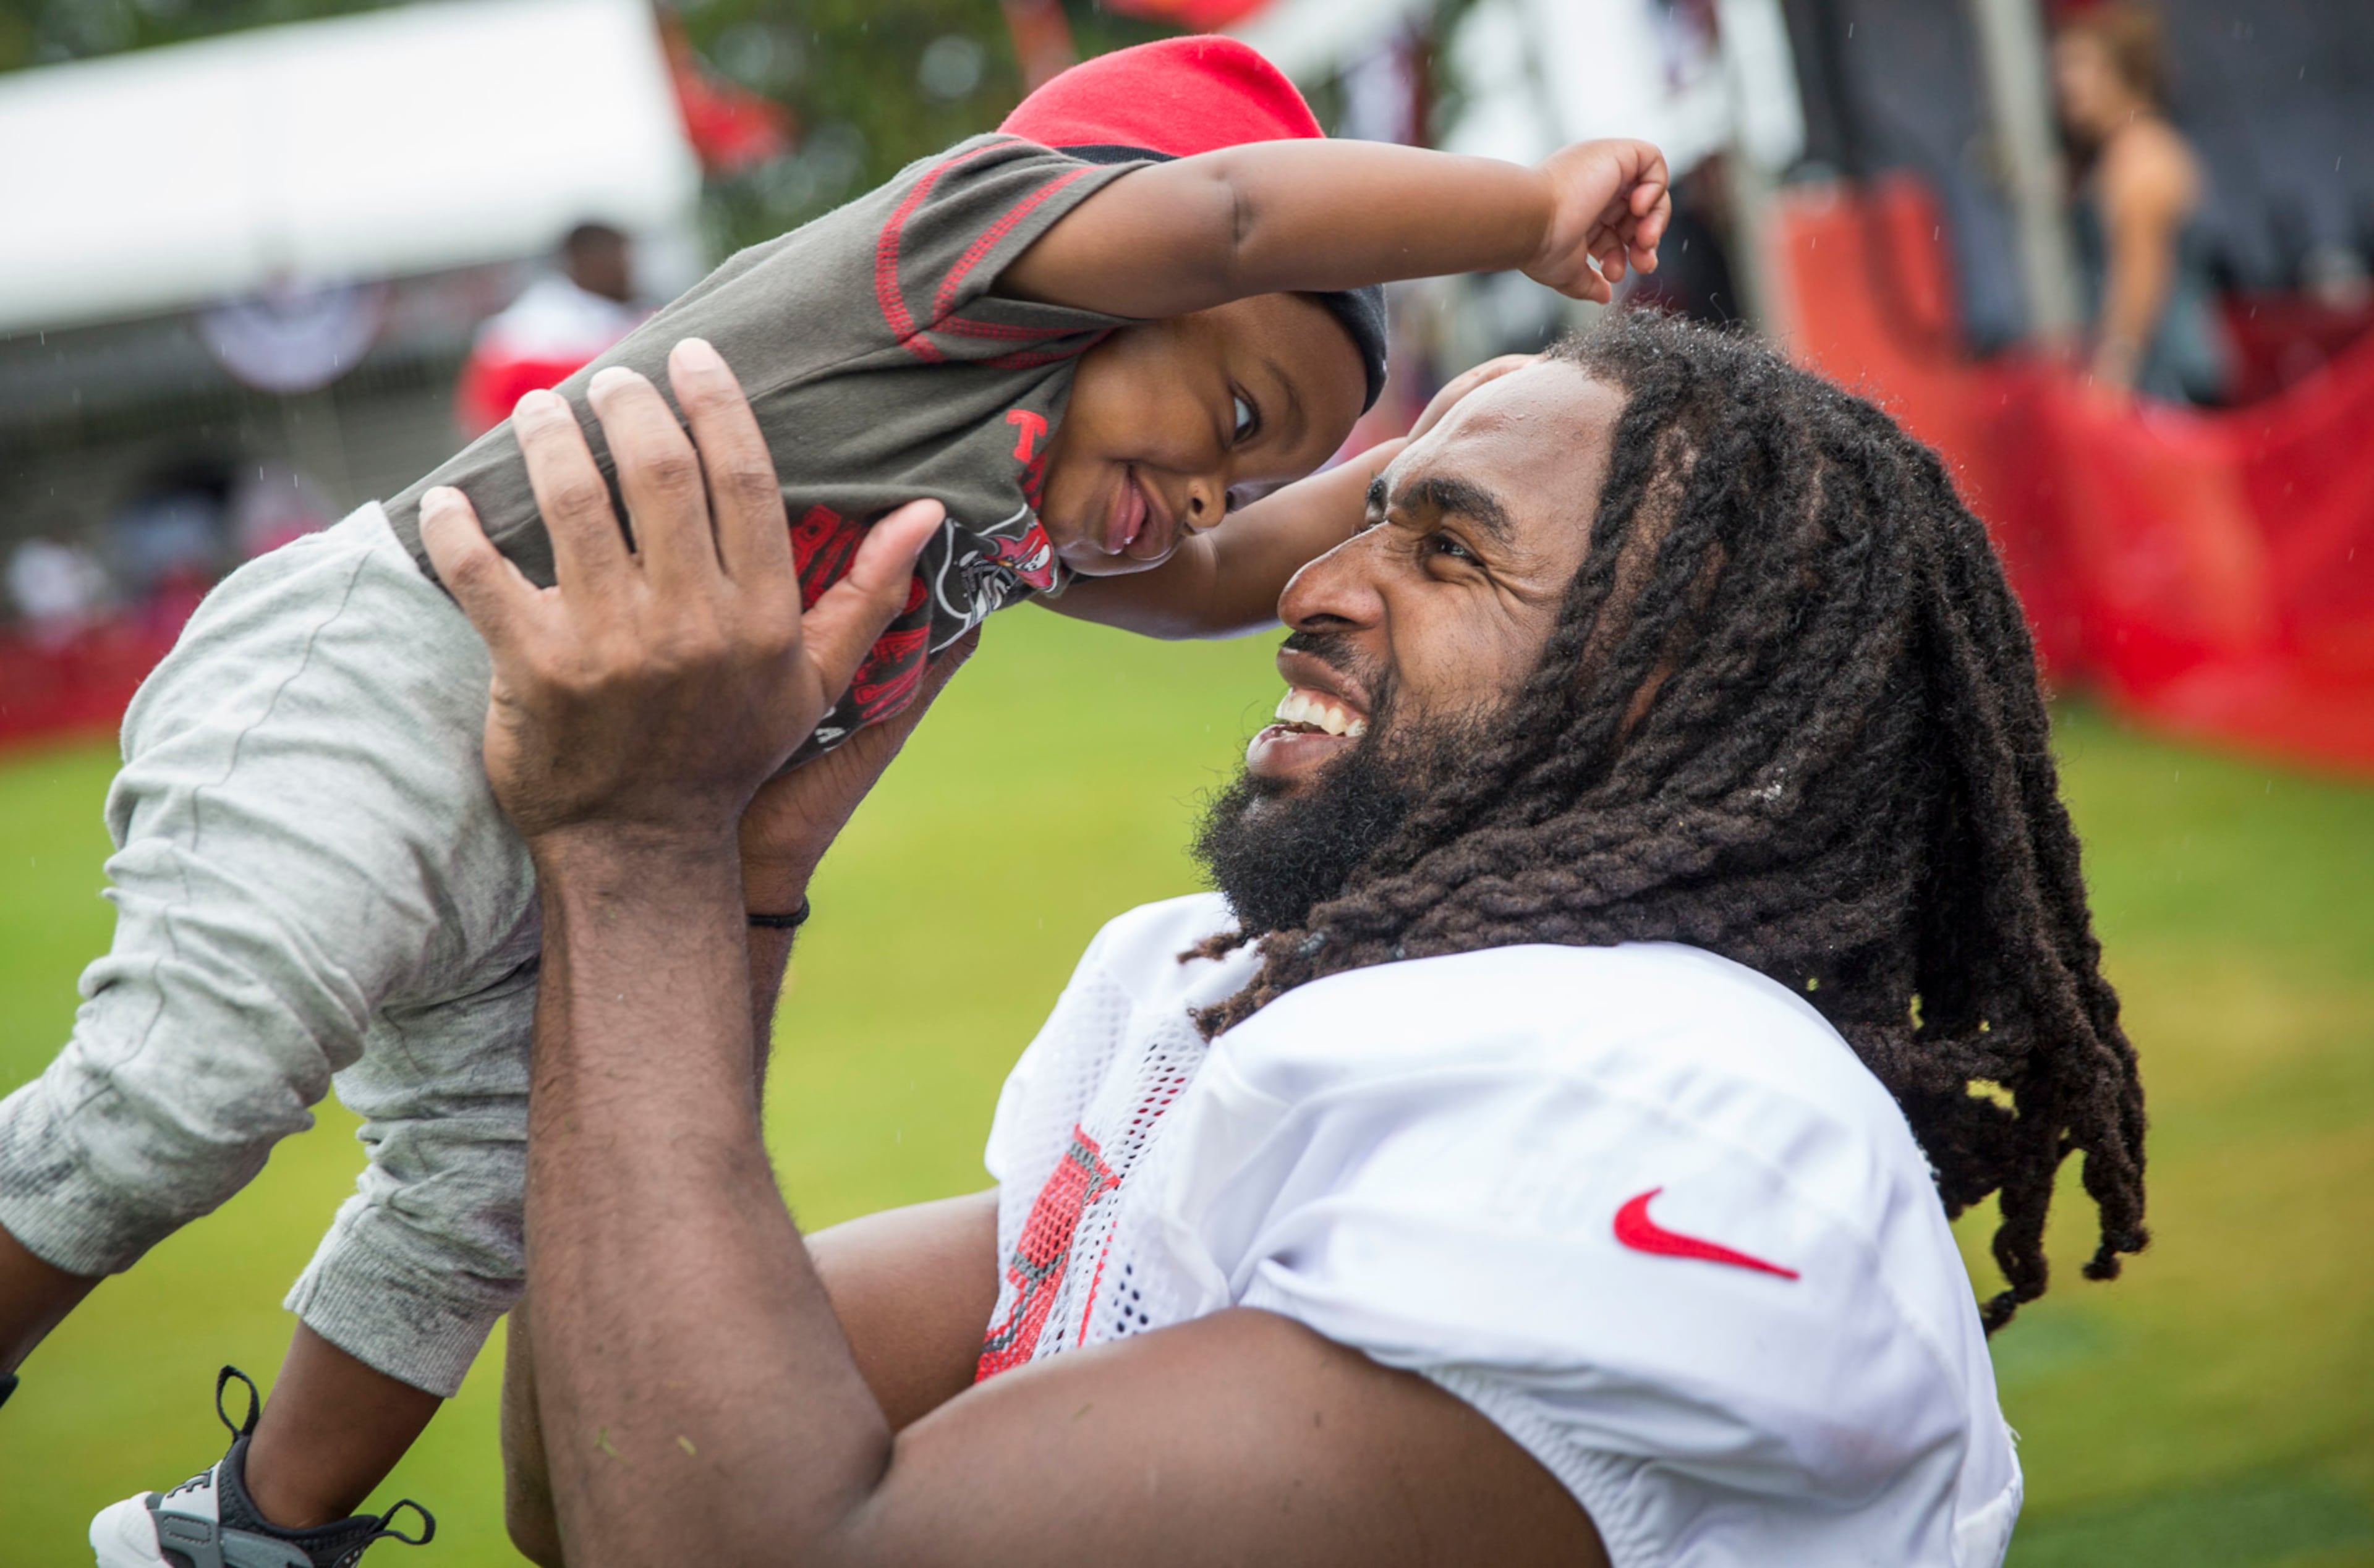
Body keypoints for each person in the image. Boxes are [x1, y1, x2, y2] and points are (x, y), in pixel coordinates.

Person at [1, 36, 1673, 1568]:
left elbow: (1218, 571)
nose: (1199, 500)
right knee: (196, 1081)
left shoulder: (1023, 510)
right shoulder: (942, 274)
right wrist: (1522, 209)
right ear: (1103, 256)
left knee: (482, 1199)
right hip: (408, 664)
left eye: (1239, 472)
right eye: (1230, 418)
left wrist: (1437, 469)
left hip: (577, 808)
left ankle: (248, 1530)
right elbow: (1236, 216)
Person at [437, 313, 2130, 1566]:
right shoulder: (1262, 997)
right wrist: (743, 866)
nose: (1315, 579)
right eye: (1372, 507)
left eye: (1448, 547)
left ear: (1675, 697)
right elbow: (591, 1485)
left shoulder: (1685, 1106)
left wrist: (640, 850)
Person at [2051, 2, 2230, 404]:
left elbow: (2141, 274)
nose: (2064, 85)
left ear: (2120, 71)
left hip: (2167, 378)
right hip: (2170, 370)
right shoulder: (2122, 151)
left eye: (2077, 67)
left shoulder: (2139, 156)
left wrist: (2113, 376)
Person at [453, 223, 650, 438]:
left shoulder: (631, 314)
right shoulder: (529, 332)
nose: (630, 269)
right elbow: (486, 418)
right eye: (621, 257)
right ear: (585, 260)